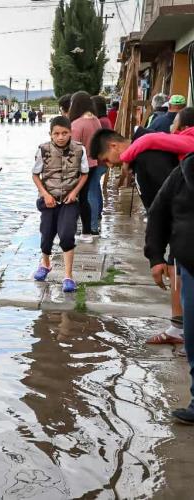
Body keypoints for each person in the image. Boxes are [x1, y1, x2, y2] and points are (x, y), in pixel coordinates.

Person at [90, 111, 194, 345]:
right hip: (181, 226)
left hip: (184, 226)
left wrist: (158, 253)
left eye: (106, 159)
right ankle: (179, 326)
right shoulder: (141, 155)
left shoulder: (149, 157)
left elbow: (167, 201)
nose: (110, 166)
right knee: (177, 271)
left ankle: (179, 329)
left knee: (176, 269)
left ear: (115, 146)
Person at [144, 152, 194, 423]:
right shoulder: (183, 172)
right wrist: (155, 257)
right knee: (193, 336)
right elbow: (158, 212)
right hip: (190, 264)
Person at [32, 116, 89, 293]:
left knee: (66, 235)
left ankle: (68, 276)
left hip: (69, 201)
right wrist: (45, 194)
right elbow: (35, 175)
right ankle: (45, 264)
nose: (61, 137)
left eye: (64, 133)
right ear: (50, 135)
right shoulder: (43, 149)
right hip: (49, 199)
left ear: (70, 132)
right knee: (47, 234)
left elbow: (84, 173)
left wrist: (74, 193)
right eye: (56, 133)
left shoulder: (80, 149)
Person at [69, 91, 102, 240]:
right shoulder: (96, 120)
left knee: (79, 197)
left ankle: (80, 230)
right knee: (90, 195)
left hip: (80, 165)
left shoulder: (76, 124)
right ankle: (90, 229)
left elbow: (72, 149)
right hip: (94, 162)